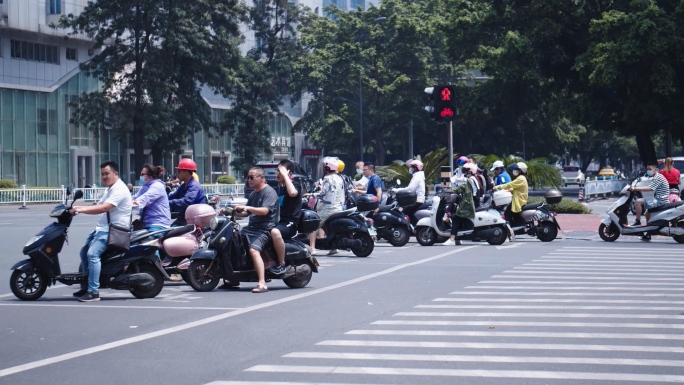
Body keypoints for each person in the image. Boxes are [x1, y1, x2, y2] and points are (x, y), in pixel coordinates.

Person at [68, 161, 132, 302]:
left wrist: (80, 209)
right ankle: (85, 286)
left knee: (92, 254)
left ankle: (93, 291)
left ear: (116, 174)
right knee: (84, 252)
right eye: (102, 174)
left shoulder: (119, 189)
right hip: (103, 228)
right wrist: (75, 208)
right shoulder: (110, 189)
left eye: (107, 173)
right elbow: (98, 205)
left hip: (114, 230)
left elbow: (104, 208)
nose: (104, 177)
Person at [235, 167, 279, 293]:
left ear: (262, 178)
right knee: (233, 243)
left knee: (254, 250)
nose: (249, 180)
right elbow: (246, 213)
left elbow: (265, 211)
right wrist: (233, 212)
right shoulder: (253, 194)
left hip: (264, 228)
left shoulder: (269, 192)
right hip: (251, 227)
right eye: (248, 177)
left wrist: (247, 207)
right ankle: (233, 278)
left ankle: (262, 283)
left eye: (251, 177)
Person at [306, 157, 345, 256]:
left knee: (313, 225)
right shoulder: (340, 178)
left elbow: (323, 193)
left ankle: (312, 248)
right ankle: (333, 247)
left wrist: (310, 195)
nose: (323, 168)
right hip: (338, 207)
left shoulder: (327, 178)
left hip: (328, 208)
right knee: (324, 224)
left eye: (324, 166)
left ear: (327, 167)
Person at [269, 160, 302, 275]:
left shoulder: (295, 185)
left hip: (289, 223)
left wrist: (285, 176)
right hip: (278, 221)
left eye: (281, 171)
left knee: (275, 232)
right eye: (277, 170)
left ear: (289, 173)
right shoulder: (279, 187)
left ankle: (281, 263)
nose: (278, 173)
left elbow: (293, 193)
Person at [442, 163, 478, 246]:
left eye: (466, 170)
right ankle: (458, 238)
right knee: (461, 218)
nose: (464, 171)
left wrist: (463, 207)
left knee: (456, 217)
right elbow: (461, 188)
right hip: (473, 202)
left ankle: (452, 239)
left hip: (470, 204)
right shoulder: (473, 179)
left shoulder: (470, 180)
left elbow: (468, 195)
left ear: (470, 171)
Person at [628, 161, 669, 230]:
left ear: (655, 169)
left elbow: (649, 188)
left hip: (660, 200)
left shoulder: (658, 177)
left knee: (638, 201)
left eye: (650, 169)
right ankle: (648, 232)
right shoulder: (657, 176)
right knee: (646, 213)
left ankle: (637, 221)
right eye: (647, 169)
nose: (648, 171)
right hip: (660, 199)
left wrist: (635, 188)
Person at [132, 164, 172, 233]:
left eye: (142, 174)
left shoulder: (157, 186)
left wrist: (135, 203)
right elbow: (135, 197)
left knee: (145, 243)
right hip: (147, 224)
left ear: (150, 177)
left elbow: (146, 198)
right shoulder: (145, 187)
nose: (140, 176)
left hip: (158, 225)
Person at [168, 158, 206, 225]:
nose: (177, 174)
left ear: (186, 172)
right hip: (185, 217)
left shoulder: (194, 186)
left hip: (194, 220)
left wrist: (168, 202)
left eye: (179, 171)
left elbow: (186, 202)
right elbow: (173, 196)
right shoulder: (183, 186)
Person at [493, 162, 529, 226]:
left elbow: (510, 184)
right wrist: (509, 190)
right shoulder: (521, 178)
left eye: (515, 169)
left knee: (507, 214)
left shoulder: (521, 178)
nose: (514, 171)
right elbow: (515, 188)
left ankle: (511, 228)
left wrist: (497, 187)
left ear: (520, 170)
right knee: (512, 214)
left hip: (519, 200)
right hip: (518, 199)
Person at [395, 159, 426, 226]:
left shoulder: (417, 177)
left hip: (417, 200)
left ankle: (411, 227)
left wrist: (396, 190)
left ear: (415, 168)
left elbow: (409, 189)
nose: (410, 169)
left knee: (404, 212)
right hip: (418, 199)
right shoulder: (418, 176)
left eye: (411, 167)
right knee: (409, 213)